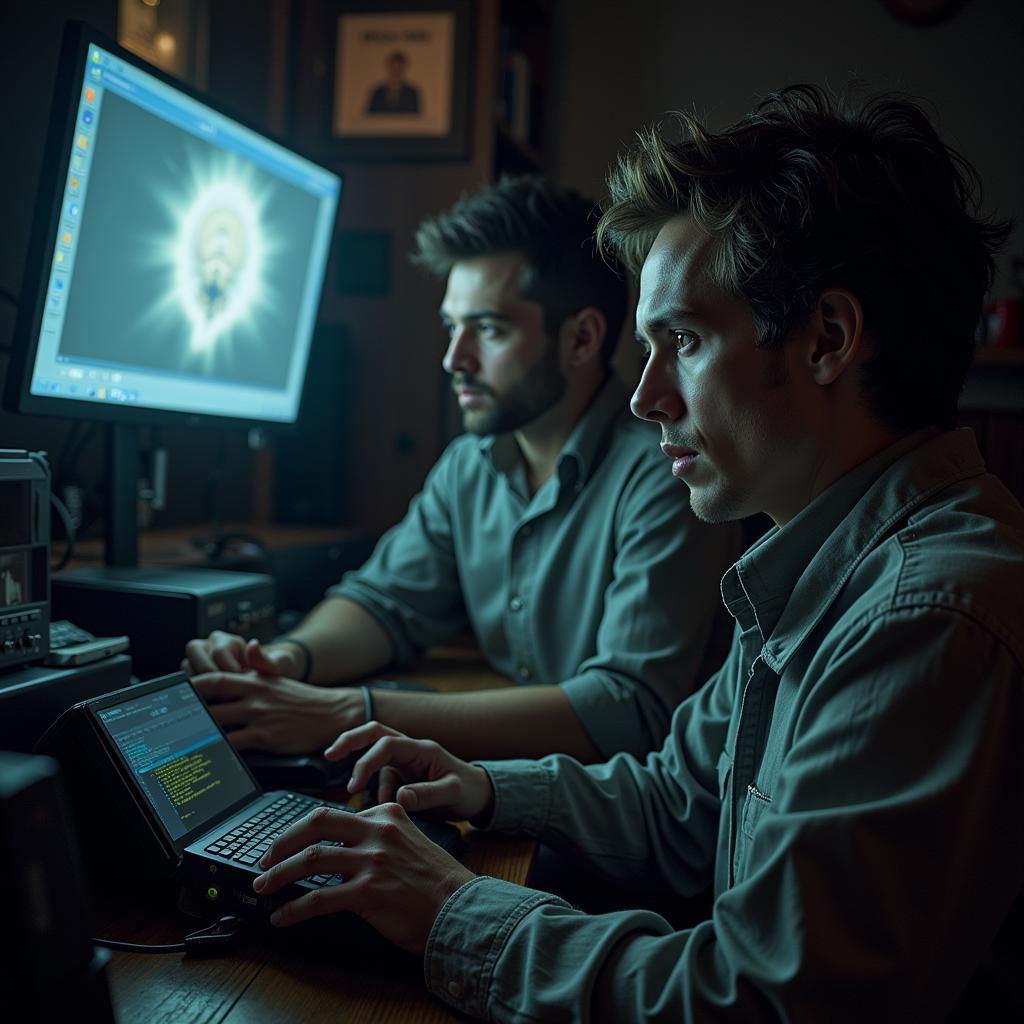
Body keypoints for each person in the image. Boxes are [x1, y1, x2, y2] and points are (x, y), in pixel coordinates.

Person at [243, 86, 1024, 1022]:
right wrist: (482, 787)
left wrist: (450, 907)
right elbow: (679, 803)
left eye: (683, 341)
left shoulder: (925, 615)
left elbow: (763, 1002)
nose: (647, 395)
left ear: (827, 339)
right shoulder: (818, 559)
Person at [184, 175, 740, 763]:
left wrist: (350, 713)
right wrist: (285, 659)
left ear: (580, 340)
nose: (455, 359)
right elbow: (385, 602)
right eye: (453, 327)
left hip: (627, 821)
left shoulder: (668, 475)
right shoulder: (467, 468)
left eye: (489, 329)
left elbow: (626, 711)